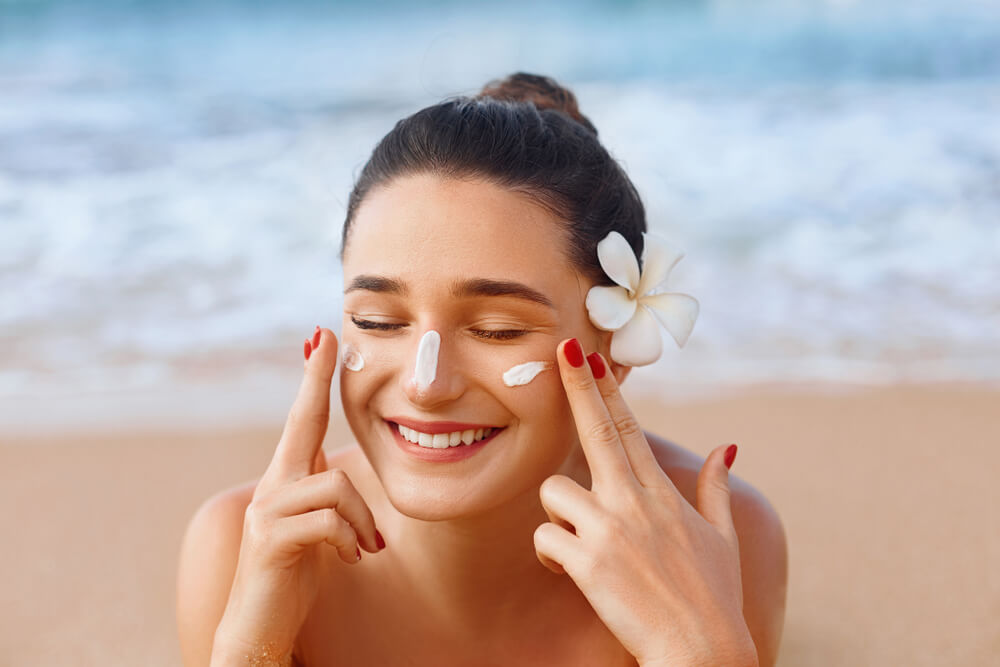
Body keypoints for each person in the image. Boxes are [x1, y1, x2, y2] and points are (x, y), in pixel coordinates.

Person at [176, 72, 788, 667]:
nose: (425, 383)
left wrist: (700, 652)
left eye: (498, 330)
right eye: (379, 321)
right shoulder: (242, 549)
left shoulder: (708, 546)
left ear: (611, 348)